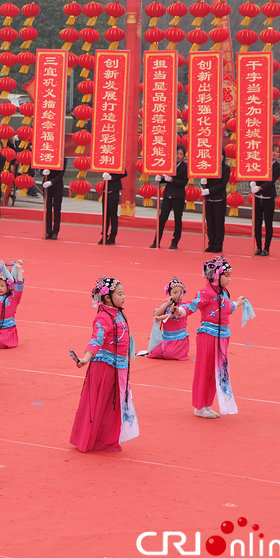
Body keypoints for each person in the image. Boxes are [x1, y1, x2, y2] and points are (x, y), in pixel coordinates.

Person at [70, 277, 138, 452]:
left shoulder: (116, 313)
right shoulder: (103, 317)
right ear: (107, 297)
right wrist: (86, 357)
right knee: (101, 405)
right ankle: (91, 439)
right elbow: (96, 339)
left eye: (124, 294)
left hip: (119, 366)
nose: (124, 297)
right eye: (120, 294)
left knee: (112, 406)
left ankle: (106, 438)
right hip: (105, 367)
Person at [179, 256, 246, 418]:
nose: (229, 279)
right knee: (205, 369)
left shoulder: (222, 293)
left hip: (222, 335)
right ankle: (200, 405)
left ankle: (206, 404)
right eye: (226, 275)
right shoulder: (206, 293)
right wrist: (179, 311)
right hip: (208, 336)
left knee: (217, 371)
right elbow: (190, 306)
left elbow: (227, 308)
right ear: (216, 276)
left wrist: (237, 303)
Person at [152, 145, 188, 249]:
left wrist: (172, 180)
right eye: (177, 153)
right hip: (168, 195)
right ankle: (156, 241)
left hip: (179, 197)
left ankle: (175, 242)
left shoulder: (185, 167)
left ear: (183, 156)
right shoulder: (170, 164)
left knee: (177, 219)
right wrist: (160, 179)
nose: (178, 156)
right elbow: (166, 178)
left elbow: (183, 182)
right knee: (162, 218)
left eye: (181, 154)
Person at [146, 277, 190, 361]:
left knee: (168, 354)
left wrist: (159, 318)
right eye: (174, 292)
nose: (177, 295)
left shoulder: (183, 306)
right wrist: (167, 304)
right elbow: (156, 313)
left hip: (177, 338)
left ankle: (179, 350)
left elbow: (172, 315)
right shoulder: (166, 304)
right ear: (169, 293)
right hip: (165, 336)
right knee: (155, 352)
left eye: (180, 293)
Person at [250, 144, 280, 256]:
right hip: (258, 197)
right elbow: (254, 172)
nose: (275, 153)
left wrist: (260, 187)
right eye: (273, 151)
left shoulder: (278, 167)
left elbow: (271, 181)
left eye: (277, 152)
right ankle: (258, 247)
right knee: (257, 223)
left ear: (279, 154)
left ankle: (267, 248)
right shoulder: (261, 162)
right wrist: (252, 182)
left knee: (268, 223)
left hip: (268, 197)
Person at [0, 265, 25, 349]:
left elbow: (20, 285)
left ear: (9, 287)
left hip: (7, 329)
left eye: (2, 286)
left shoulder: (13, 298)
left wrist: (19, 269)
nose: (0, 288)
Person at [201, 153, 231, 253]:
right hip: (209, 199)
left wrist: (210, 191)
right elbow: (205, 183)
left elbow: (223, 184)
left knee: (219, 223)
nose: (219, 157)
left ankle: (218, 245)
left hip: (219, 199)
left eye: (221, 155)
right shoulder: (209, 166)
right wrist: (203, 182)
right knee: (210, 223)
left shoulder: (226, 168)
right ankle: (211, 243)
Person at [99, 170, 127, 245]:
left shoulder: (119, 160)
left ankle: (112, 237)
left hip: (114, 191)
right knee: (105, 215)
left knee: (113, 215)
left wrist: (112, 177)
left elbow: (124, 172)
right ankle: (104, 235)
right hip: (105, 191)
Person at [42, 163, 66, 239]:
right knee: (48, 208)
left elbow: (61, 173)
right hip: (46, 184)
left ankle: (55, 231)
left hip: (57, 185)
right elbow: (39, 165)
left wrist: (52, 182)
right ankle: (48, 231)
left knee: (57, 208)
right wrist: (42, 172)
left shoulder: (63, 157)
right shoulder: (46, 155)